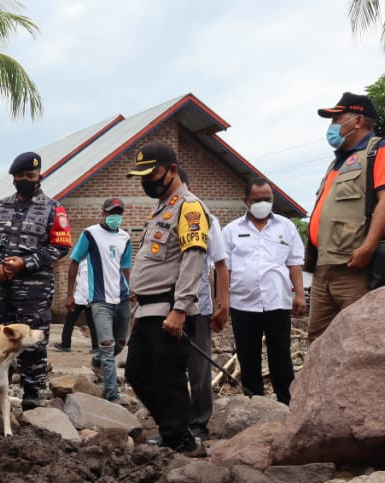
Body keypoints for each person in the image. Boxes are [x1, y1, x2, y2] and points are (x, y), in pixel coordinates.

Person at [125, 143, 210, 453]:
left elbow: (193, 258)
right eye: (142, 176)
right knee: (137, 372)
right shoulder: (162, 208)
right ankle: (176, 431)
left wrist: (180, 308)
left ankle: (178, 441)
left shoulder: (189, 207)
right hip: (147, 309)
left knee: (168, 376)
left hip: (169, 308)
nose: (147, 181)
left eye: (153, 173)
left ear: (172, 170)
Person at [306, 92, 385, 342]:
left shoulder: (381, 150)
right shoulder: (337, 163)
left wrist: (368, 248)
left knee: (358, 340)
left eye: (337, 119)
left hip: (355, 267)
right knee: (318, 340)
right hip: (324, 266)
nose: (332, 127)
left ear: (358, 121)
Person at [0, 152, 72, 408]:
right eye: (20, 177)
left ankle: (31, 391)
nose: (25, 180)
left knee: (32, 340)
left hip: (34, 290)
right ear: (13, 179)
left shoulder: (54, 208)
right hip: (2, 289)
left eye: (30, 176)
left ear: (39, 176)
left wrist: (26, 262)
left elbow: (60, 246)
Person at [221, 178, 306, 404]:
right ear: (246, 201)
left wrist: (299, 294)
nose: (263, 203)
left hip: (277, 301)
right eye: (257, 200)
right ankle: (254, 404)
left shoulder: (286, 227)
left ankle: (286, 403)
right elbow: (223, 270)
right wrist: (222, 302)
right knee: (248, 358)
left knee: (281, 357)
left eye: (267, 199)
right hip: (243, 304)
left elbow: (295, 263)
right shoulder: (231, 231)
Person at [178, 166, 229, 438]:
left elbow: (220, 263)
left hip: (198, 306)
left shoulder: (205, 217)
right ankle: (175, 423)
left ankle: (199, 424)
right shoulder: (160, 217)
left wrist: (223, 303)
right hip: (166, 307)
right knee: (170, 366)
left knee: (198, 368)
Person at [67, 197, 129, 402]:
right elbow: (74, 261)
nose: (115, 217)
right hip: (99, 300)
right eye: (111, 213)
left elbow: (125, 266)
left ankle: (97, 360)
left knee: (120, 343)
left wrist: (131, 289)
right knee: (107, 344)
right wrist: (70, 293)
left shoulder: (125, 238)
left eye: (118, 213)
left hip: (121, 298)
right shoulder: (90, 234)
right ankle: (112, 393)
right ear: (103, 213)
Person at [55, 261, 96, 353]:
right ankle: (65, 344)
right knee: (69, 320)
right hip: (78, 298)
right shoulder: (79, 263)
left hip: (89, 298)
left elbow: (89, 283)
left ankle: (96, 347)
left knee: (92, 323)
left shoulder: (92, 263)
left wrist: (91, 297)